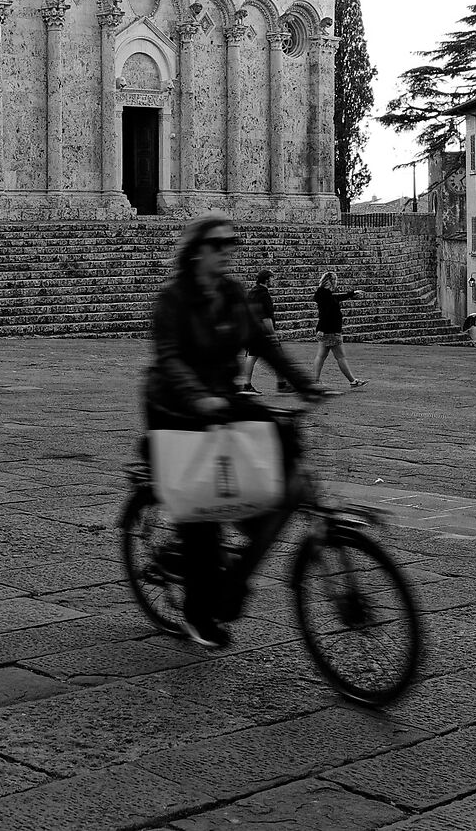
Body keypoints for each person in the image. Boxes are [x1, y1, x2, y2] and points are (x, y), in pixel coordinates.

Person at [145, 218, 322, 649]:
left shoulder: (230, 293)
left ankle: (247, 539)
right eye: (218, 244)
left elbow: (262, 344)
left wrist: (304, 385)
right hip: (175, 406)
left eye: (232, 243)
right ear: (196, 251)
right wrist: (197, 397)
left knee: (280, 451)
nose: (228, 250)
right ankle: (197, 614)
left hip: (223, 397)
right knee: (204, 509)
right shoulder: (174, 298)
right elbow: (168, 357)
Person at [313, 272, 365, 387]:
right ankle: (352, 381)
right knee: (340, 357)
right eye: (335, 281)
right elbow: (325, 314)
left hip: (327, 329)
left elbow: (336, 298)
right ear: (331, 281)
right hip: (330, 330)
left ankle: (315, 381)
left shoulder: (324, 294)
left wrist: (351, 294)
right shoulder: (325, 296)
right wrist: (321, 329)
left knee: (321, 356)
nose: (336, 283)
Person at [250, 269, 278, 393]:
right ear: (266, 279)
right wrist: (272, 334)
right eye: (272, 278)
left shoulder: (253, 292)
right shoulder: (264, 294)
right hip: (263, 331)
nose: (273, 280)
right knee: (278, 355)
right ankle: (282, 384)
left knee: (252, 356)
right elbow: (266, 317)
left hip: (253, 328)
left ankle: (246, 384)